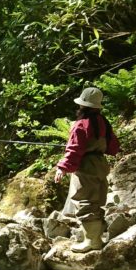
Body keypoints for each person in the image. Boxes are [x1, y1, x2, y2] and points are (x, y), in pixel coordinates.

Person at [53, 86, 120, 252]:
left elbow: (74, 150)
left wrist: (62, 167)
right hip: (100, 164)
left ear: (83, 106)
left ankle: (92, 241)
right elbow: (113, 147)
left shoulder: (81, 125)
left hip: (86, 166)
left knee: (86, 202)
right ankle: (92, 237)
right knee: (96, 200)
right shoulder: (103, 122)